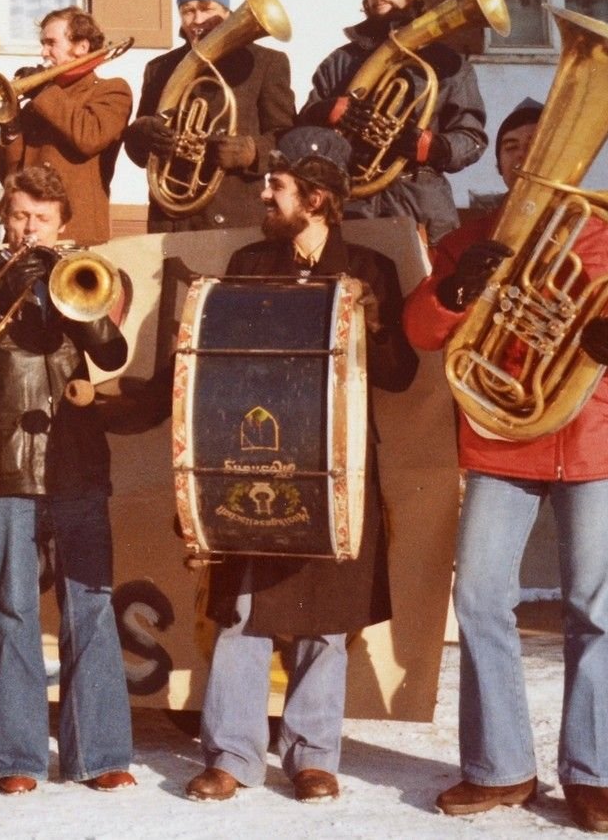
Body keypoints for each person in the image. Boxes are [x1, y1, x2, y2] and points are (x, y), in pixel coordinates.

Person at [401, 100, 608, 834]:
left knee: (593, 606)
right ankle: (501, 766)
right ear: (500, 162)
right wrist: (458, 289)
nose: (524, 156)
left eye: (538, 143)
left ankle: (591, 772)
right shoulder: (471, 240)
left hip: (592, 437)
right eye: (513, 146)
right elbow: (421, 328)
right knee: (482, 594)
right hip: (504, 437)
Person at [185, 126, 417, 804]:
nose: (264, 193)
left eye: (276, 186)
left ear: (314, 199)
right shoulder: (250, 261)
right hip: (258, 458)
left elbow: (402, 376)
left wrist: (373, 327)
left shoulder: (373, 268)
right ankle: (231, 752)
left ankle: (312, 754)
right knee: (242, 610)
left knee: (327, 614)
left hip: (338, 464)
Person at [0, 165, 136, 795]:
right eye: (21, 215)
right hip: (6, 462)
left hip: (75, 459)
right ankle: (15, 757)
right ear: (5, 215)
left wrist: (66, 296)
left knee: (91, 607)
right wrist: (0, 294)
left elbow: (110, 354)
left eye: (43, 219)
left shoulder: (81, 274)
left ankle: (100, 753)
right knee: (12, 609)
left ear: (63, 225)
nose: (30, 228)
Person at [300, 0, 487, 247]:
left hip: (421, 202)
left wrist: (434, 147)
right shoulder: (339, 62)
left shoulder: (449, 63)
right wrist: (326, 111)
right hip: (351, 204)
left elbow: (473, 137)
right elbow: (300, 136)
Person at [123, 0, 295, 232]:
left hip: (235, 218)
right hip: (172, 220)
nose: (197, 19)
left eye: (206, 8)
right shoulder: (159, 68)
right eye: (187, 10)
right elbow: (138, 151)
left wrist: (252, 152)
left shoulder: (267, 64)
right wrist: (143, 133)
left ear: (227, 12)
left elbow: (287, 138)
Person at [0, 8, 131, 246]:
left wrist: (45, 92)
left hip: (77, 232)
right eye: (42, 43)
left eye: (51, 43)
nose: (43, 52)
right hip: (27, 233)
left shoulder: (111, 90)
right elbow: (10, 175)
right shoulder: (39, 103)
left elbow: (89, 137)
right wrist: (11, 125)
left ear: (81, 47)